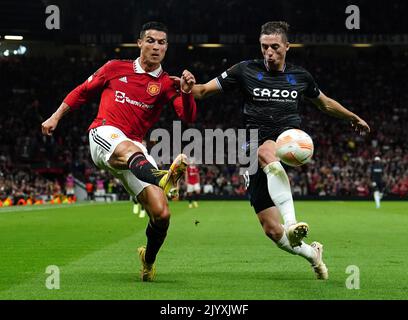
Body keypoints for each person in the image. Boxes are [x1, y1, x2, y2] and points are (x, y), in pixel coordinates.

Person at [192, 21, 370, 280]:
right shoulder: (244, 70)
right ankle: (313, 254)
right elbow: (203, 91)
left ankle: (292, 223)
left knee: (268, 152)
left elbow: (325, 104)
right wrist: (188, 87)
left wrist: (352, 117)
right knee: (273, 232)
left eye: (275, 47)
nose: (269, 52)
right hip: (251, 147)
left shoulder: (300, 76)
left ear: (287, 46)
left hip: (287, 141)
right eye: (265, 47)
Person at [41, 21, 197, 282]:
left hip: (136, 149)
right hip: (104, 134)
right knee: (125, 148)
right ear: (139, 43)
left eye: (161, 42)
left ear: (167, 47)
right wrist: (56, 116)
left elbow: (188, 117)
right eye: (150, 40)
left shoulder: (169, 83)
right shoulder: (115, 68)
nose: (156, 46)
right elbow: (82, 92)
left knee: (162, 213)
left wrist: (188, 93)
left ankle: (148, 260)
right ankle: (161, 177)